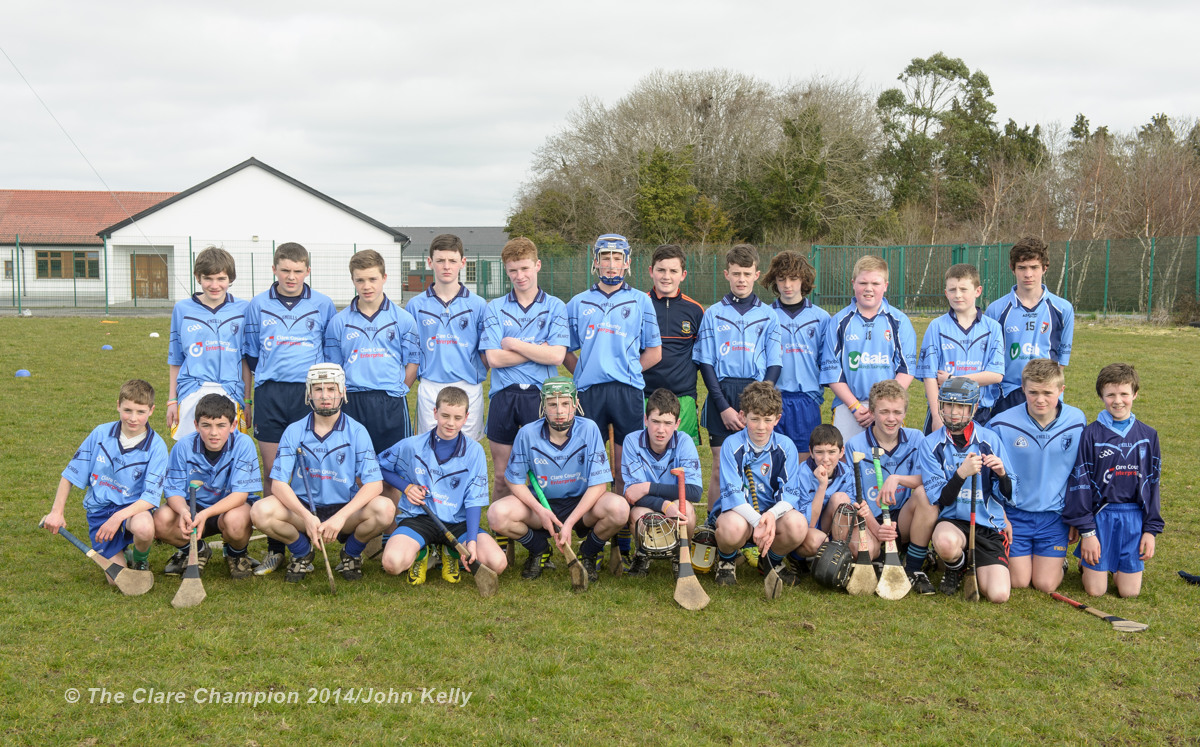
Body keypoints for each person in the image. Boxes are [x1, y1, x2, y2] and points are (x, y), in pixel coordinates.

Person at [249, 363, 392, 583]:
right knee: (260, 511)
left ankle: (351, 554)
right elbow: (277, 483)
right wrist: (306, 517)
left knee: (385, 509)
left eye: (331, 389)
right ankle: (301, 551)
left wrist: (340, 518)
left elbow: (374, 484)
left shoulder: (357, 431)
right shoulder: (294, 430)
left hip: (345, 510)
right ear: (309, 393)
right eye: (318, 389)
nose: (325, 395)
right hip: (304, 508)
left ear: (342, 392)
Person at [243, 241, 336, 576]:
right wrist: (249, 400)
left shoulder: (324, 305)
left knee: (306, 468)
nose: (291, 277)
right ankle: (277, 548)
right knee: (273, 472)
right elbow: (251, 357)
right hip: (270, 395)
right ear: (274, 270)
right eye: (285, 270)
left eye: (298, 271)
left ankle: (310, 533)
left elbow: (329, 353)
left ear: (307, 270)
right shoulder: (257, 305)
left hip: (306, 395)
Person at [486, 377, 628, 583]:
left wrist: (570, 522)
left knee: (620, 509)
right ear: (543, 405)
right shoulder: (527, 434)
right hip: (542, 506)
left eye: (565, 404)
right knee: (496, 514)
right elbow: (514, 481)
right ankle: (539, 549)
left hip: (583, 505)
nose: (560, 411)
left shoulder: (589, 429)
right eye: (552, 404)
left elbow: (599, 485)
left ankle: (588, 552)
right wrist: (541, 511)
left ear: (576, 403)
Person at [564, 233, 662, 496]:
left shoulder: (642, 301)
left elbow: (654, 352)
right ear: (595, 262)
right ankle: (592, 529)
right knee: (588, 467)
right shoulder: (578, 302)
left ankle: (621, 535)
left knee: (624, 468)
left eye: (617, 257)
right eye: (605, 257)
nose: (610, 263)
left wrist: (626, 370)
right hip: (589, 393)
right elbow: (564, 350)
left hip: (626, 391)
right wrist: (587, 371)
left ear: (627, 262)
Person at [377, 386, 507, 584]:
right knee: (392, 564)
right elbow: (379, 466)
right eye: (445, 415)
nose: (450, 423)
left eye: (457, 417)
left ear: (466, 417)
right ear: (435, 413)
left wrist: (471, 542)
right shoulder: (412, 445)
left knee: (497, 563)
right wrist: (406, 487)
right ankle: (422, 552)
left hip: (458, 523)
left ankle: (450, 551)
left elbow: (474, 500)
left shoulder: (475, 452)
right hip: (420, 518)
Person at [40, 380, 168, 576]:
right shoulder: (100, 433)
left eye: (140, 412)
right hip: (99, 511)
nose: (133, 418)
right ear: (118, 405)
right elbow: (70, 475)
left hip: (133, 511)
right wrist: (56, 512)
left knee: (144, 527)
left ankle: (140, 560)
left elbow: (151, 498)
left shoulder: (157, 446)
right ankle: (120, 550)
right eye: (128, 410)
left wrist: (117, 517)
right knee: (117, 579)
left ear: (151, 410)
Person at [479, 237, 570, 509]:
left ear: (537, 265)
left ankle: (537, 537)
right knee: (502, 477)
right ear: (506, 270)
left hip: (541, 397)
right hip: (503, 396)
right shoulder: (495, 307)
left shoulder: (555, 306)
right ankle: (503, 537)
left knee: (542, 475)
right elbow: (494, 358)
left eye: (525, 268)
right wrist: (536, 349)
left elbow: (557, 356)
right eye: (513, 270)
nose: (520, 276)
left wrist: (515, 344)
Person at [710, 381, 825, 588]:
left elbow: (790, 494)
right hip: (740, 515)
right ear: (743, 417)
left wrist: (771, 516)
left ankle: (771, 560)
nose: (761, 427)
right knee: (731, 529)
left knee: (798, 525)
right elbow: (733, 495)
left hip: (773, 516)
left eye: (767, 420)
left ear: (777, 419)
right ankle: (726, 560)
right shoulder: (732, 445)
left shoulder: (786, 446)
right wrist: (758, 521)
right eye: (754, 419)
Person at [693, 244, 782, 512]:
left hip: (756, 391)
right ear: (726, 274)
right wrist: (724, 408)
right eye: (735, 273)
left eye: (746, 273)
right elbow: (705, 363)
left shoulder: (768, 315)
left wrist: (759, 404)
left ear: (757, 274)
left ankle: (752, 526)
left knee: (754, 466)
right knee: (720, 466)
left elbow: (775, 364)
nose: (741, 279)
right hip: (723, 393)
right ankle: (712, 526)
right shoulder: (713, 313)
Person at [1064, 363, 1162, 598]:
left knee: (1129, 593)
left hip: (1133, 518)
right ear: (1101, 396)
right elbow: (1081, 483)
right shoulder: (1091, 434)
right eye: (1111, 395)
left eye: (1124, 394)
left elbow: (1153, 484)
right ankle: (1087, 562)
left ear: (1135, 394)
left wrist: (1150, 530)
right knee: (1096, 591)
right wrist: (1087, 532)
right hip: (1101, 517)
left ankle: (1112, 561)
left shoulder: (1148, 436)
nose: (1118, 401)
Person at [987, 359, 1085, 593]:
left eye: (1047, 393)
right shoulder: (1001, 424)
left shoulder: (1077, 421)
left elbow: (1079, 475)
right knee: (1019, 581)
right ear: (1023, 389)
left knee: (1045, 584)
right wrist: (1002, 516)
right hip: (1015, 515)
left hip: (1054, 518)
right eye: (1033, 392)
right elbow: (989, 478)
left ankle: (1058, 560)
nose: (1040, 399)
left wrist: (1075, 518)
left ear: (1061, 390)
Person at [919, 377, 1014, 603]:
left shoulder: (989, 440)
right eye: (949, 405)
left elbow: (1009, 495)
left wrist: (1002, 474)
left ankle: (973, 562)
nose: (954, 412)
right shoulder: (930, 444)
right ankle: (957, 566)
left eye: (961, 406)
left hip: (986, 526)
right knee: (945, 543)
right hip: (953, 522)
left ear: (974, 408)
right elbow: (943, 499)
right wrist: (961, 473)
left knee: (999, 595)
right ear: (940, 406)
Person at [842, 380, 938, 595]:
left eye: (897, 412)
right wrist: (876, 529)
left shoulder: (916, 438)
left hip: (902, 520)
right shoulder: (855, 445)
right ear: (872, 412)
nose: (891, 418)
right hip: (870, 519)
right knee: (861, 550)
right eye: (884, 411)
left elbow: (930, 479)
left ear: (905, 413)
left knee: (924, 495)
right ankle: (880, 556)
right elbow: (851, 496)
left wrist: (897, 478)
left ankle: (914, 567)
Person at [324, 249, 420, 455]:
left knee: (393, 469)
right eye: (360, 280)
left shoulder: (403, 319)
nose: (367, 286)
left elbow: (413, 360)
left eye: (372, 279)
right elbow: (334, 367)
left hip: (391, 402)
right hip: (352, 401)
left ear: (384, 278)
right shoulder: (339, 322)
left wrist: (401, 389)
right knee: (354, 467)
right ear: (353, 280)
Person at [157, 394, 262, 579]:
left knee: (236, 521)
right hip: (194, 508)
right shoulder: (183, 447)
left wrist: (205, 514)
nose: (213, 432)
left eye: (221, 425)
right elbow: (172, 490)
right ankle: (196, 550)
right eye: (206, 425)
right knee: (161, 519)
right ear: (196, 425)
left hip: (229, 508)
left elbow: (240, 495)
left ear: (233, 425)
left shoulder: (243, 444)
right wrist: (183, 511)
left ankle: (236, 555)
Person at [821, 254, 917, 442]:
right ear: (853, 283)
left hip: (887, 408)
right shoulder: (839, 322)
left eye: (875, 283)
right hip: (848, 407)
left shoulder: (899, 321)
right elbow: (833, 372)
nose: (869, 289)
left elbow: (906, 369)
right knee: (845, 462)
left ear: (886, 286)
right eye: (863, 283)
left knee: (887, 463)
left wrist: (881, 406)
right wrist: (856, 407)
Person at [405, 234, 489, 440]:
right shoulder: (415, 305)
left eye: (452, 260)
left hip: (468, 385)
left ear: (462, 263)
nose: (446, 266)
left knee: (467, 449)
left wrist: (471, 371)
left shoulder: (478, 304)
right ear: (429, 262)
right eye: (440, 260)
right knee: (429, 448)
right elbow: (410, 352)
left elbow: (486, 352)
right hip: (430, 386)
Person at [166, 246, 251, 442]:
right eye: (208, 278)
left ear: (231, 279)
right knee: (190, 451)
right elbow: (176, 358)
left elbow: (246, 359)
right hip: (191, 389)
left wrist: (247, 401)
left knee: (229, 451)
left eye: (221, 279)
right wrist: (172, 400)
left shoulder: (244, 309)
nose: (214, 285)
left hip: (231, 390)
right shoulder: (182, 309)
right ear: (198, 276)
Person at [984, 237, 1075, 417]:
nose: (1028, 274)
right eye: (1022, 268)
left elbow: (1062, 360)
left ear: (1044, 268)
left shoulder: (1063, 308)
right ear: (1012, 269)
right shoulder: (996, 310)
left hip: (1046, 393)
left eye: (1034, 267)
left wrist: (1044, 388)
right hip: (1008, 393)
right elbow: (989, 356)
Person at [619, 389, 703, 577]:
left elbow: (695, 491)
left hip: (674, 504)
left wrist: (648, 487)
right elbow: (633, 496)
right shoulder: (632, 441)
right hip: (650, 506)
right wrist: (664, 505)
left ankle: (680, 555)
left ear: (677, 424)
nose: (661, 429)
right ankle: (642, 554)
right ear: (645, 420)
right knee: (639, 515)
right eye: (655, 421)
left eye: (668, 423)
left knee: (687, 510)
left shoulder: (684, 441)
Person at [917, 263, 1004, 431]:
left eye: (964, 289)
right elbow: (929, 376)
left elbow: (996, 375)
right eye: (952, 290)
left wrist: (952, 380)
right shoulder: (936, 326)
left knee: (977, 457)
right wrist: (936, 416)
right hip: (944, 411)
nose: (957, 295)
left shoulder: (992, 328)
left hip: (979, 412)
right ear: (946, 293)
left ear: (977, 291)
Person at [761, 250, 828, 460]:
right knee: (773, 460)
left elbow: (827, 362)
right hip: (774, 398)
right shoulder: (765, 315)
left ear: (804, 280)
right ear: (774, 281)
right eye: (781, 279)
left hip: (807, 399)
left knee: (805, 461)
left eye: (793, 279)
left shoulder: (821, 318)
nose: (787, 285)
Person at [642, 244, 705, 447]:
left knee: (682, 462)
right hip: (644, 396)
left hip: (683, 399)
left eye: (673, 271)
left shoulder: (695, 310)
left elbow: (703, 357)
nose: (666, 276)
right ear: (651, 271)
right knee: (644, 458)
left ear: (683, 274)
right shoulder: (638, 305)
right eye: (661, 270)